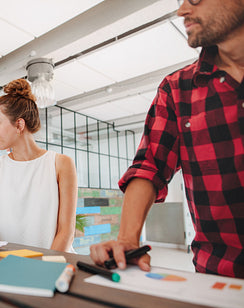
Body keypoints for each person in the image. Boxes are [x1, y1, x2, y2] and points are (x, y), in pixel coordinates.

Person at [90, 0, 244, 278]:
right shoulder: (177, 89)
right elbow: (149, 166)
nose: (182, 10)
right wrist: (127, 239)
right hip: (220, 279)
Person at [0, 78, 78, 253]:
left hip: (53, 265)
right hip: (7, 264)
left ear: (19, 124)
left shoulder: (61, 164)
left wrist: (45, 266)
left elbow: (66, 231)